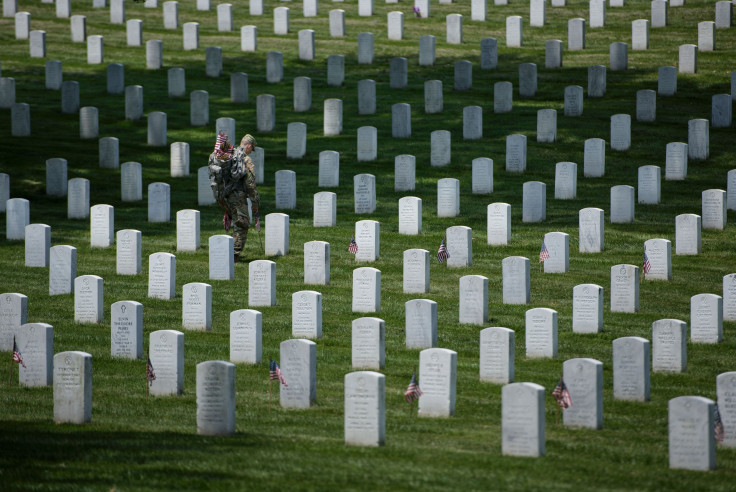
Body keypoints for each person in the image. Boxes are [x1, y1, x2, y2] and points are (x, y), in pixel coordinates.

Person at [226, 133, 261, 262]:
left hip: (226, 196)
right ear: (249, 146)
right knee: (242, 224)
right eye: (252, 149)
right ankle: (234, 254)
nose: (251, 151)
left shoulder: (229, 156)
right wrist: (255, 201)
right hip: (238, 196)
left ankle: (228, 251)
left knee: (236, 222)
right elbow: (250, 183)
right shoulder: (245, 159)